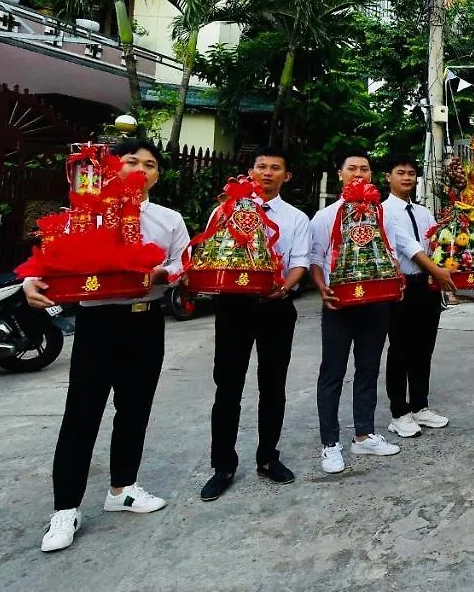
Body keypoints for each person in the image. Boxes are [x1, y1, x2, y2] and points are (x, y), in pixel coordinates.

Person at [28, 139, 190, 553]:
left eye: (150, 164)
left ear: (157, 175)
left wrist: (162, 274)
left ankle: (122, 488)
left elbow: (182, 263)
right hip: (97, 322)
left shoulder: (168, 219)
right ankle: (65, 508)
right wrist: (31, 282)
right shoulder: (83, 214)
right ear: (112, 167)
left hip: (145, 320)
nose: (140, 169)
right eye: (131, 161)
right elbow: (48, 263)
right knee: (82, 413)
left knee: (134, 409)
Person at [201, 146, 311, 502]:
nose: (267, 173)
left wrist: (286, 286)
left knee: (273, 384)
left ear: (286, 176)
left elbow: (300, 262)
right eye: (261, 167)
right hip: (234, 307)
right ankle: (223, 465)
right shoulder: (225, 210)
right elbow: (211, 252)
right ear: (250, 171)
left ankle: (268, 457)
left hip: (276, 308)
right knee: (228, 385)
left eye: (275, 168)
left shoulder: (295, 218)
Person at [312, 155, 396, 475]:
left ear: (371, 174)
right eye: (352, 169)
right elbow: (316, 259)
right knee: (332, 372)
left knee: (368, 368)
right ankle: (330, 443)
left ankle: (363, 434)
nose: (358, 174)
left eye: (364, 169)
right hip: (338, 305)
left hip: (375, 304)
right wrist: (323, 289)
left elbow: (391, 253)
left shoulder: (381, 212)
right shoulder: (325, 216)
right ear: (340, 174)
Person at [381, 156, 456, 440]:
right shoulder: (384, 211)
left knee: (424, 346)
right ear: (388, 176)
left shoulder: (424, 212)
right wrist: (439, 271)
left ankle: (420, 405)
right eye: (400, 172)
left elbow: (435, 241)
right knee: (400, 347)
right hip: (401, 286)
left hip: (427, 285)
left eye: (412, 173)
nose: (407, 178)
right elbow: (408, 246)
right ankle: (399, 412)